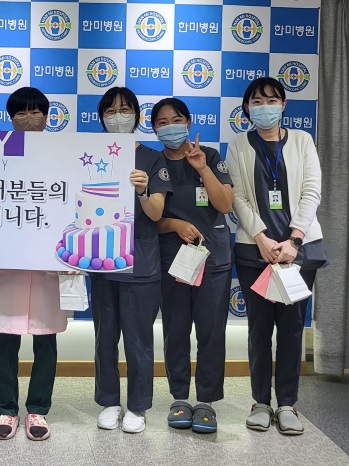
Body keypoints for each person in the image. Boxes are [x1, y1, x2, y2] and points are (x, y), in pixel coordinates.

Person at [226, 77, 326, 435]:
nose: (264, 106)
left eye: (271, 100)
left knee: (291, 329)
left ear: (283, 104)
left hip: (298, 252)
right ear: (247, 108)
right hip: (256, 252)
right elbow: (237, 197)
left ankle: (287, 403)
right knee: (258, 330)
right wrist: (262, 238)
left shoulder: (302, 140)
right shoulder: (239, 144)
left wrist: (293, 240)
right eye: (257, 101)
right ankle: (260, 402)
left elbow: (312, 191)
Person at [0, 87, 81, 441]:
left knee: (46, 342)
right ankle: (7, 410)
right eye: (21, 112)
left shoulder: (66, 157)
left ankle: (37, 410)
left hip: (48, 266)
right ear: (10, 118)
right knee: (4, 343)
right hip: (6, 266)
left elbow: (78, 205)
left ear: (47, 116)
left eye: (35, 111)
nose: (29, 118)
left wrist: (76, 250)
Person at [91, 87, 172, 433]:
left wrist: (142, 190)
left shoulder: (153, 159)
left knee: (139, 341)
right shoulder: (90, 154)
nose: (118, 117)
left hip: (140, 263)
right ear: (101, 118)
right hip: (101, 261)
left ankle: (138, 406)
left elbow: (156, 213)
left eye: (125, 110)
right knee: (104, 338)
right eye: (110, 111)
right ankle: (109, 401)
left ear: (138, 116)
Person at [152, 98, 234, 434]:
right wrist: (174, 225)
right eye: (162, 122)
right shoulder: (153, 163)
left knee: (211, 332)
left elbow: (225, 204)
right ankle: (180, 399)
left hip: (212, 259)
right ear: (154, 129)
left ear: (188, 122)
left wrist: (202, 168)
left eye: (176, 120)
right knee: (176, 330)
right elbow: (148, 218)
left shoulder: (209, 156)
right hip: (172, 261)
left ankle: (206, 402)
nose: (170, 127)